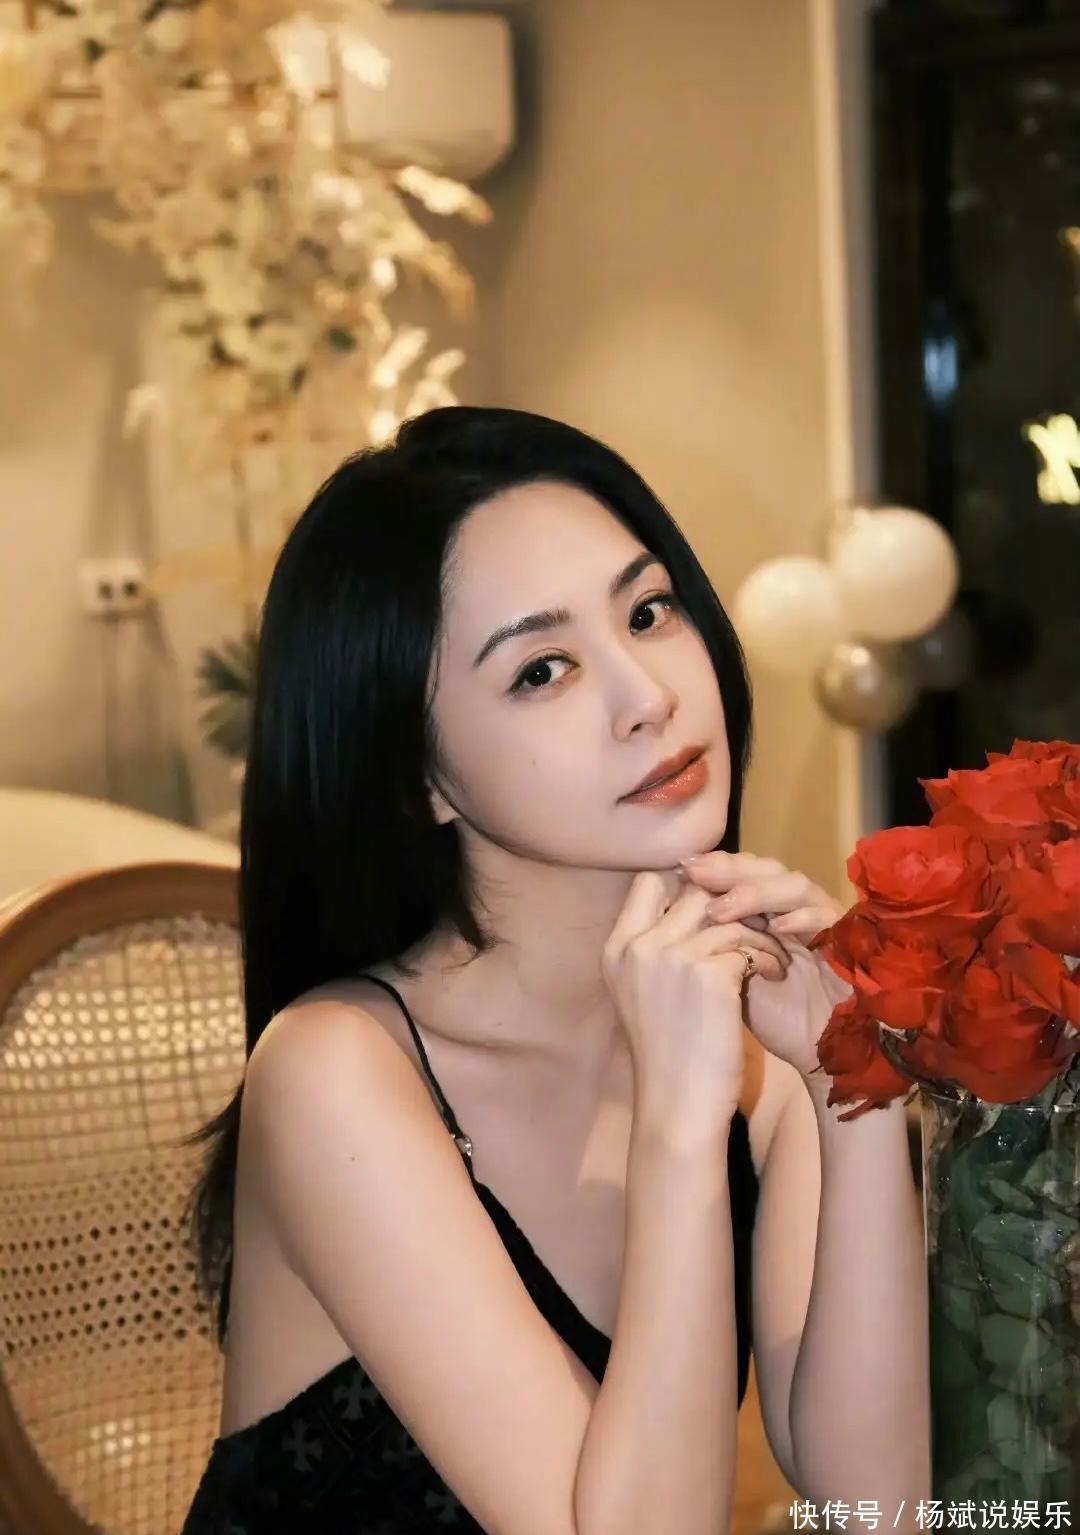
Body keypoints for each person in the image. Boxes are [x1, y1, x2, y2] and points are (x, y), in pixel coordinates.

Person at [178, 405, 929, 1535]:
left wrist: (853, 1076)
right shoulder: (336, 1071)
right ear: (418, 776)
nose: (648, 695)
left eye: (649, 611)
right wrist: (677, 1124)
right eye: (542, 669)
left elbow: (881, 1506)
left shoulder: (759, 1026)